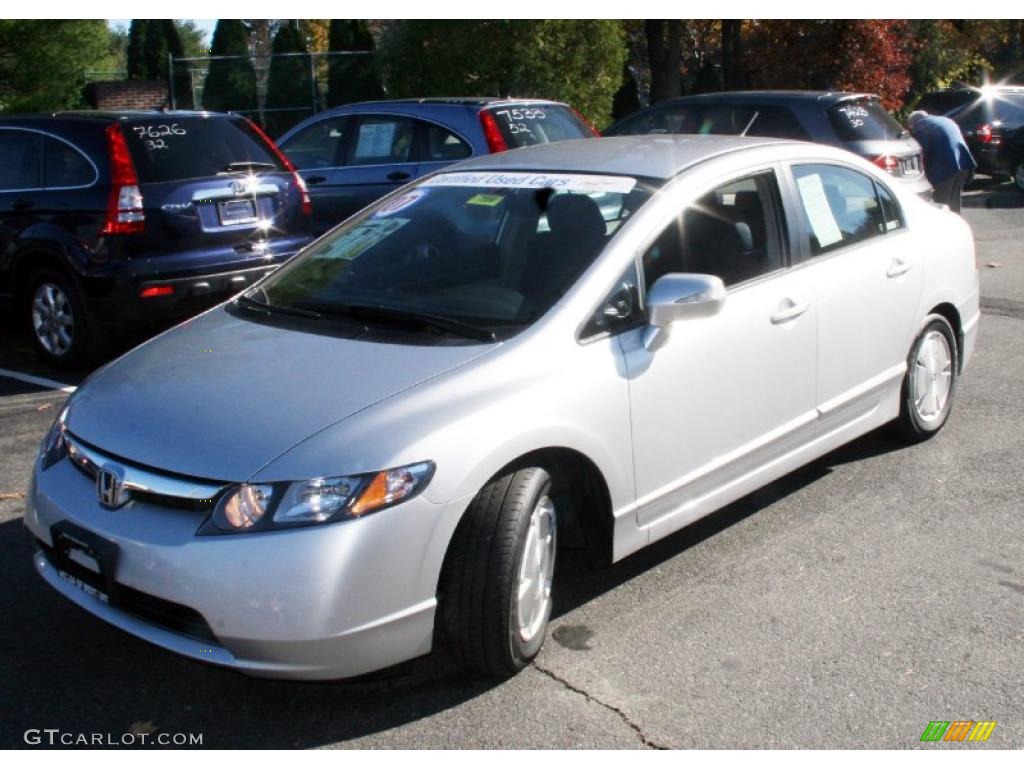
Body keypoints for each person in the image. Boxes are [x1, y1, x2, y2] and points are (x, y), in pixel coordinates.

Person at [907, 110, 977, 213]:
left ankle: (944, 227)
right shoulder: (944, 120)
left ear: (913, 123)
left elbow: (921, 152)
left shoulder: (921, 126)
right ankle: (956, 226)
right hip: (964, 162)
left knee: (940, 204)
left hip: (945, 167)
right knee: (954, 202)